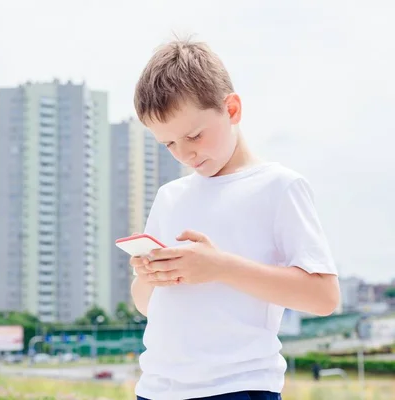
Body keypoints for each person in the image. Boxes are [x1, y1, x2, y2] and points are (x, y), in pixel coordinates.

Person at [129, 38, 340, 400]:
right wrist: (150, 277)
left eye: (194, 135)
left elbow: (323, 297)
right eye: (169, 145)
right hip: (156, 388)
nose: (185, 154)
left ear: (232, 109)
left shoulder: (279, 187)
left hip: (237, 386)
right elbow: (147, 305)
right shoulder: (170, 196)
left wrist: (221, 267)